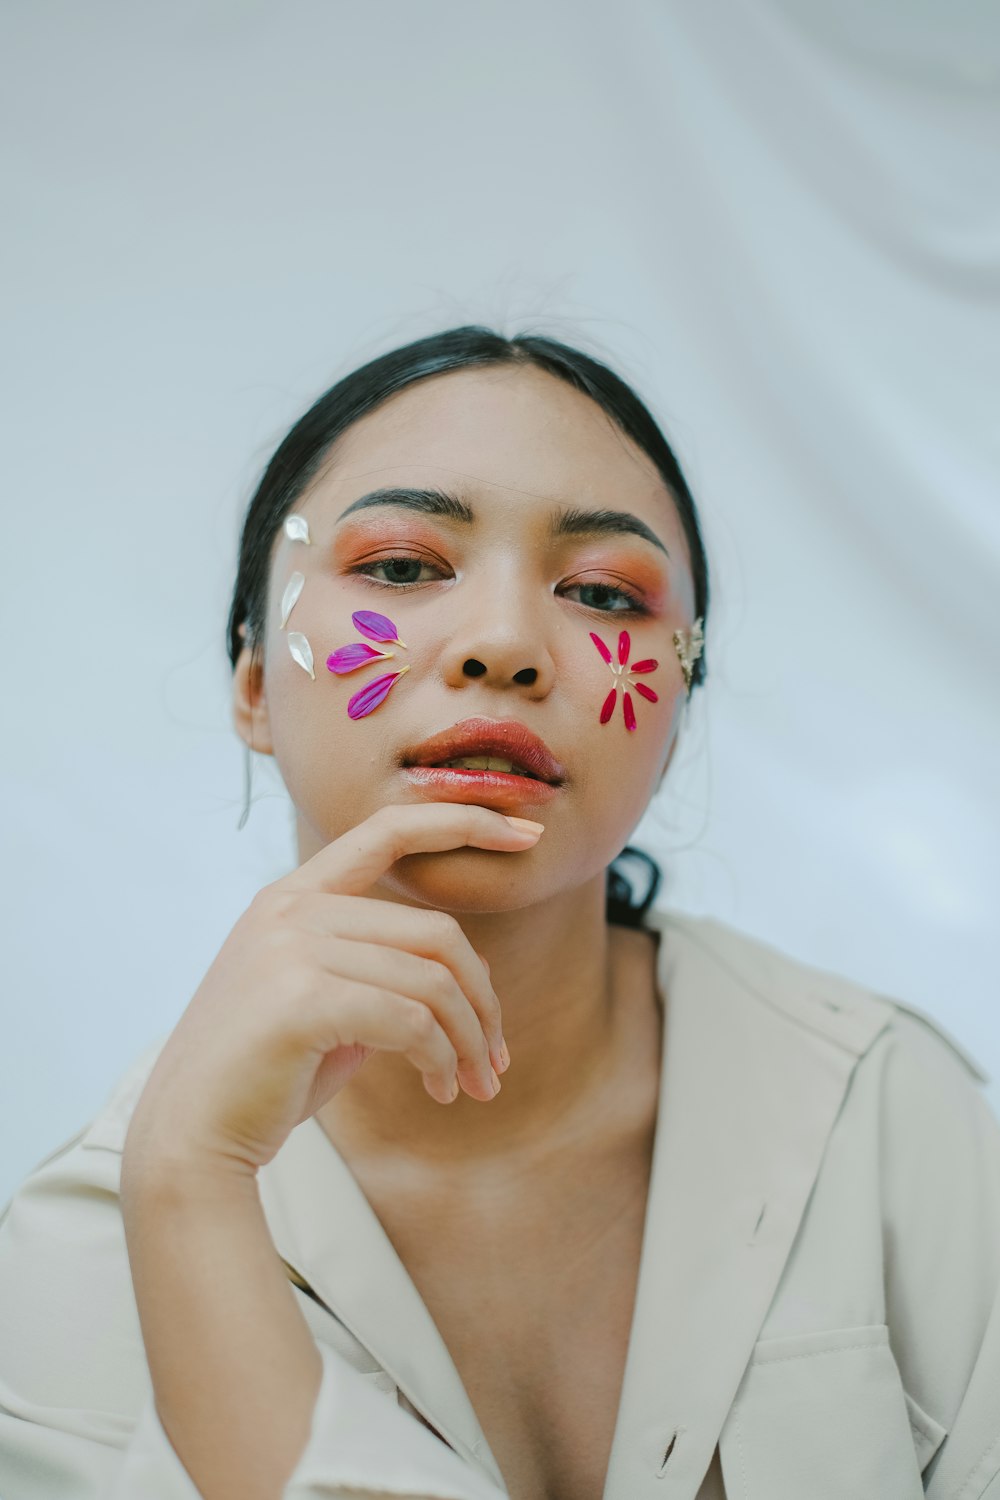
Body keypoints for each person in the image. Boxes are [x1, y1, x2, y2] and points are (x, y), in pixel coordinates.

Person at [1, 325, 998, 1500]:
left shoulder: (885, 1112)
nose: (507, 646)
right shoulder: (80, 1252)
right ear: (256, 683)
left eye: (601, 593)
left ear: (679, 706)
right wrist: (188, 1191)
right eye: (404, 567)